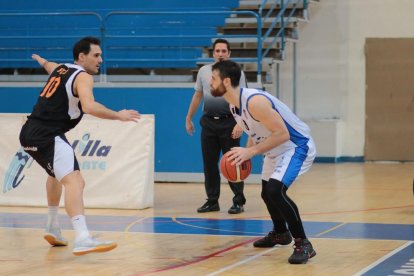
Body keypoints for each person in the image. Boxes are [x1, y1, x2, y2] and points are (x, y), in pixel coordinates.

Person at [19, 36, 141, 256]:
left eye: (101, 55)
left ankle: (53, 226)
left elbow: (50, 66)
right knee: (75, 180)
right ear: (82, 57)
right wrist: (118, 115)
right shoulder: (84, 77)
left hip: (28, 132)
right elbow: (90, 106)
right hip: (47, 133)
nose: (100, 60)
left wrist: (41, 60)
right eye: (96, 55)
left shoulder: (61, 68)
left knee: (57, 175)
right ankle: (83, 237)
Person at [210, 60, 317, 264]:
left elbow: (283, 134)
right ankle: (280, 233)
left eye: (213, 78)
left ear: (226, 80)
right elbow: (255, 129)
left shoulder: (254, 102)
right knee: (266, 193)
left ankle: (303, 243)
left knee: (275, 191)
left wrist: (251, 151)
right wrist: (249, 149)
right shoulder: (234, 105)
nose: (210, 82)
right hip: (274, 148)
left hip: (295, 146)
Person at [185, 39, 247, 214]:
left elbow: (243, 98)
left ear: (229, 53)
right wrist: (189, 117)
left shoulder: (236, 73)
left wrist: (240, 123)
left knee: (233, 163)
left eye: (224, 51)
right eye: (217, 51)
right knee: (210, 164)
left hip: (230, 123)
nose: (220, 54)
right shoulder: (204, 72)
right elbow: (198, 96)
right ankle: (212, 200)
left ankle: (238, 201)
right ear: (213, 53)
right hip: (209, 123)